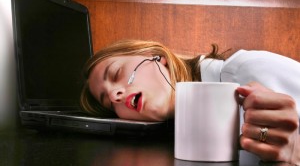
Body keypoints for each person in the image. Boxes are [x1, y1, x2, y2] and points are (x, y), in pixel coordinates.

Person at [80, 39, 300, 165]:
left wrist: (295, 153)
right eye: (109, 104)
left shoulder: (245, 70)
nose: (114, 95)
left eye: (117, 73)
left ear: (156, 56)